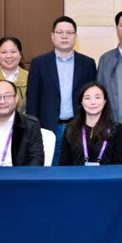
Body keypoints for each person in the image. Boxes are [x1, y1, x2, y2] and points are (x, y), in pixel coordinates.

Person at [27, 16, 97, 165]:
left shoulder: (88, 63)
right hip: (49, 127)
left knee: (78, 169)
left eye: (69, 33)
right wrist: (35, 129)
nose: (64, 36)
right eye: (60, 32)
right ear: (52, 36)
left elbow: (93, 98)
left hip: (79, 126)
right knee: (50, 169)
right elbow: (32, 100)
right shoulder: (39, 63)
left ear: (76, 36)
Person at [58, 83, 122, 166]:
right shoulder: (71, 129)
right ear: (81, 102)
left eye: (97, 97)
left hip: (107, 174)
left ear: (105, 101)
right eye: (87, 98)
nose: (93, 102)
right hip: (76, 174)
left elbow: (118, 164)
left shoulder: (115, 129)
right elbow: (64, 164)